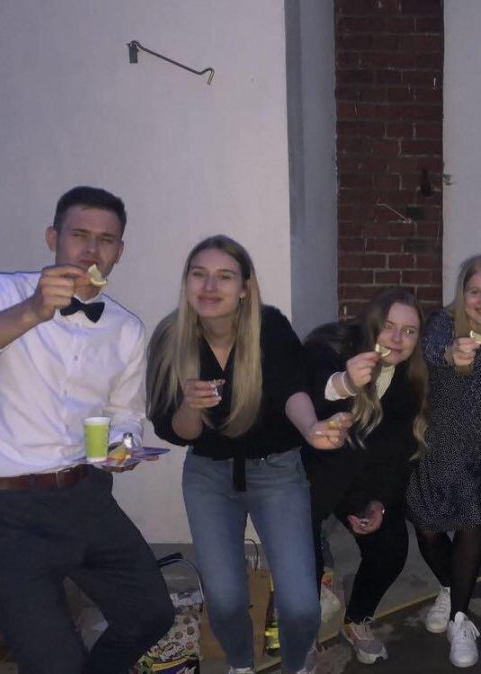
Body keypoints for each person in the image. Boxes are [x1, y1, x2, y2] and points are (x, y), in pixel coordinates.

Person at [0, 186, 175, 673]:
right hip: (3, 511)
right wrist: (31, 312)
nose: (91, 249)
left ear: (119, 252)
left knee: (150, 614)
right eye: (79, 234)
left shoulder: (125, 328)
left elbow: (125, 411)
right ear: (52, 238)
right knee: (56, 664)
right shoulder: (3, 292)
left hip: (85, 498)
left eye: (106, 240)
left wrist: (122, 447)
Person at [146, 235, 346, 674]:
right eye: (199, 275)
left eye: (224, 276)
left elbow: (292, 389)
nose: (210, 286)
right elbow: (176, 431)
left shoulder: (268, 326)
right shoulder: (170, 338)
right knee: (224, 598)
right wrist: (191, 406)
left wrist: (311, 429)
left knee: (300, 604)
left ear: (244, 288)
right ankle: (240, 666)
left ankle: (297, 665)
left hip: (277, 472)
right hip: (208, 477)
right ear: (186, 282)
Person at [405, 254, 481, 668]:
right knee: (426, 529)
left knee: (470, 523)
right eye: (475, 291)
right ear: (463, 294)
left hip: (469, 448)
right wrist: (451, 356)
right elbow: (430, 354)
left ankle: (460, 618)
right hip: (426, 440)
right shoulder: (444, 324)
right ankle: (449, 586)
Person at [302, 288, 429, 665]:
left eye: (409, 331)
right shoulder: (332, 344)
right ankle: (304, 633)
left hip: (360, 480)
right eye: (389, 326)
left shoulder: (411, 379)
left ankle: (356, 619)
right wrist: (344, 381)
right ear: (371, 323)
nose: (397, 338)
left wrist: (378, 503)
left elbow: (399, 454)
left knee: (391, 547)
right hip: (309, 472)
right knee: (305, 558)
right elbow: (311, 384)